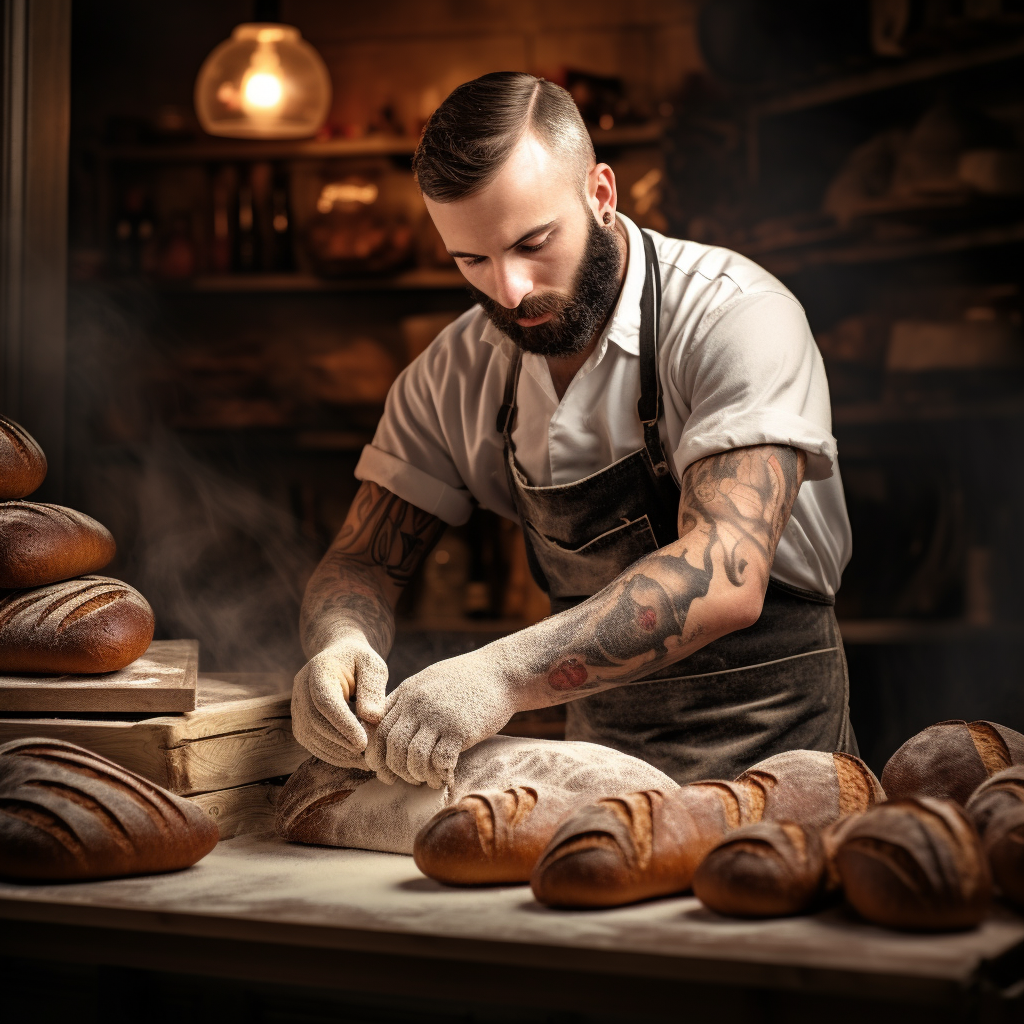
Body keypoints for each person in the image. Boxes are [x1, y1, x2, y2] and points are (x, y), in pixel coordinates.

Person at [291, 72, 855, 790]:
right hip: (602, 775)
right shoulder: (453, 372)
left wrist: (498, 674)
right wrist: (340, 645)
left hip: (779, 760)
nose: (510, 290)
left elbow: (724, 573)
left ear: (601, 193)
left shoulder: (734, 317)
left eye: (533, 242)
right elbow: (361, 563)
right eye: (472, 260)